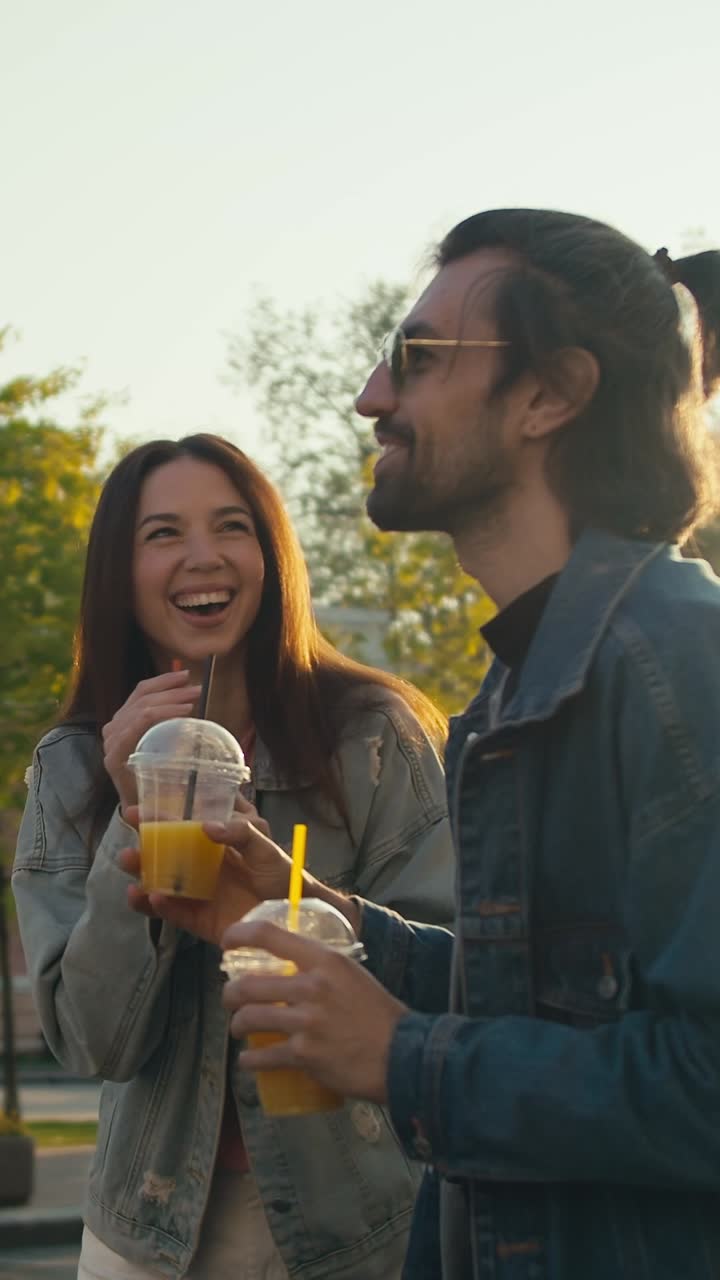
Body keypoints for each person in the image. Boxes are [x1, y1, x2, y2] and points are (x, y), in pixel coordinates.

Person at [218, 212, 720, 1279]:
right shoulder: (517, 682)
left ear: (551, 395)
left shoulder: (683, 668)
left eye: (418, 357)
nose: (370, 396)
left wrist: (401, 1057)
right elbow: (548, 994)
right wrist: (345, 929)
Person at [12, 433, 455, 1280]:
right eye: (163, 534)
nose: (203, 558)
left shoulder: (370, 736)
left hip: (362, 1228)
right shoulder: (70, 768)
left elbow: (451, 970)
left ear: (270, 555)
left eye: (231, 527)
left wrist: (287, 899)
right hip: (145, 1237)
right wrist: (131, 819)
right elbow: (92, 1044)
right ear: (120, 571)